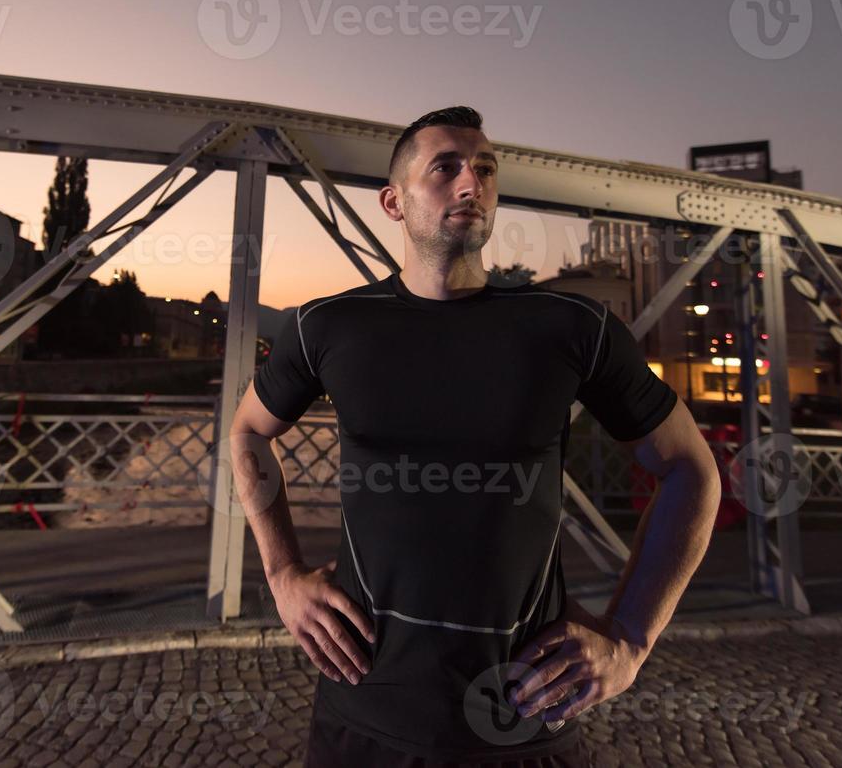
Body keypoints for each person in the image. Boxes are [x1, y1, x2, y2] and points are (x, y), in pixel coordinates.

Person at [228, 106, 721, 767]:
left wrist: (631, 637)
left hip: (521, 717)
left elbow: (691, 470)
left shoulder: (570, 327)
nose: (472, 183)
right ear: (393, 201)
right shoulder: (328, 326)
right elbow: (247, 433)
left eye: (485, 169)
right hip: (363, 714)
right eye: (446, 168)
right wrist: (283, 573)